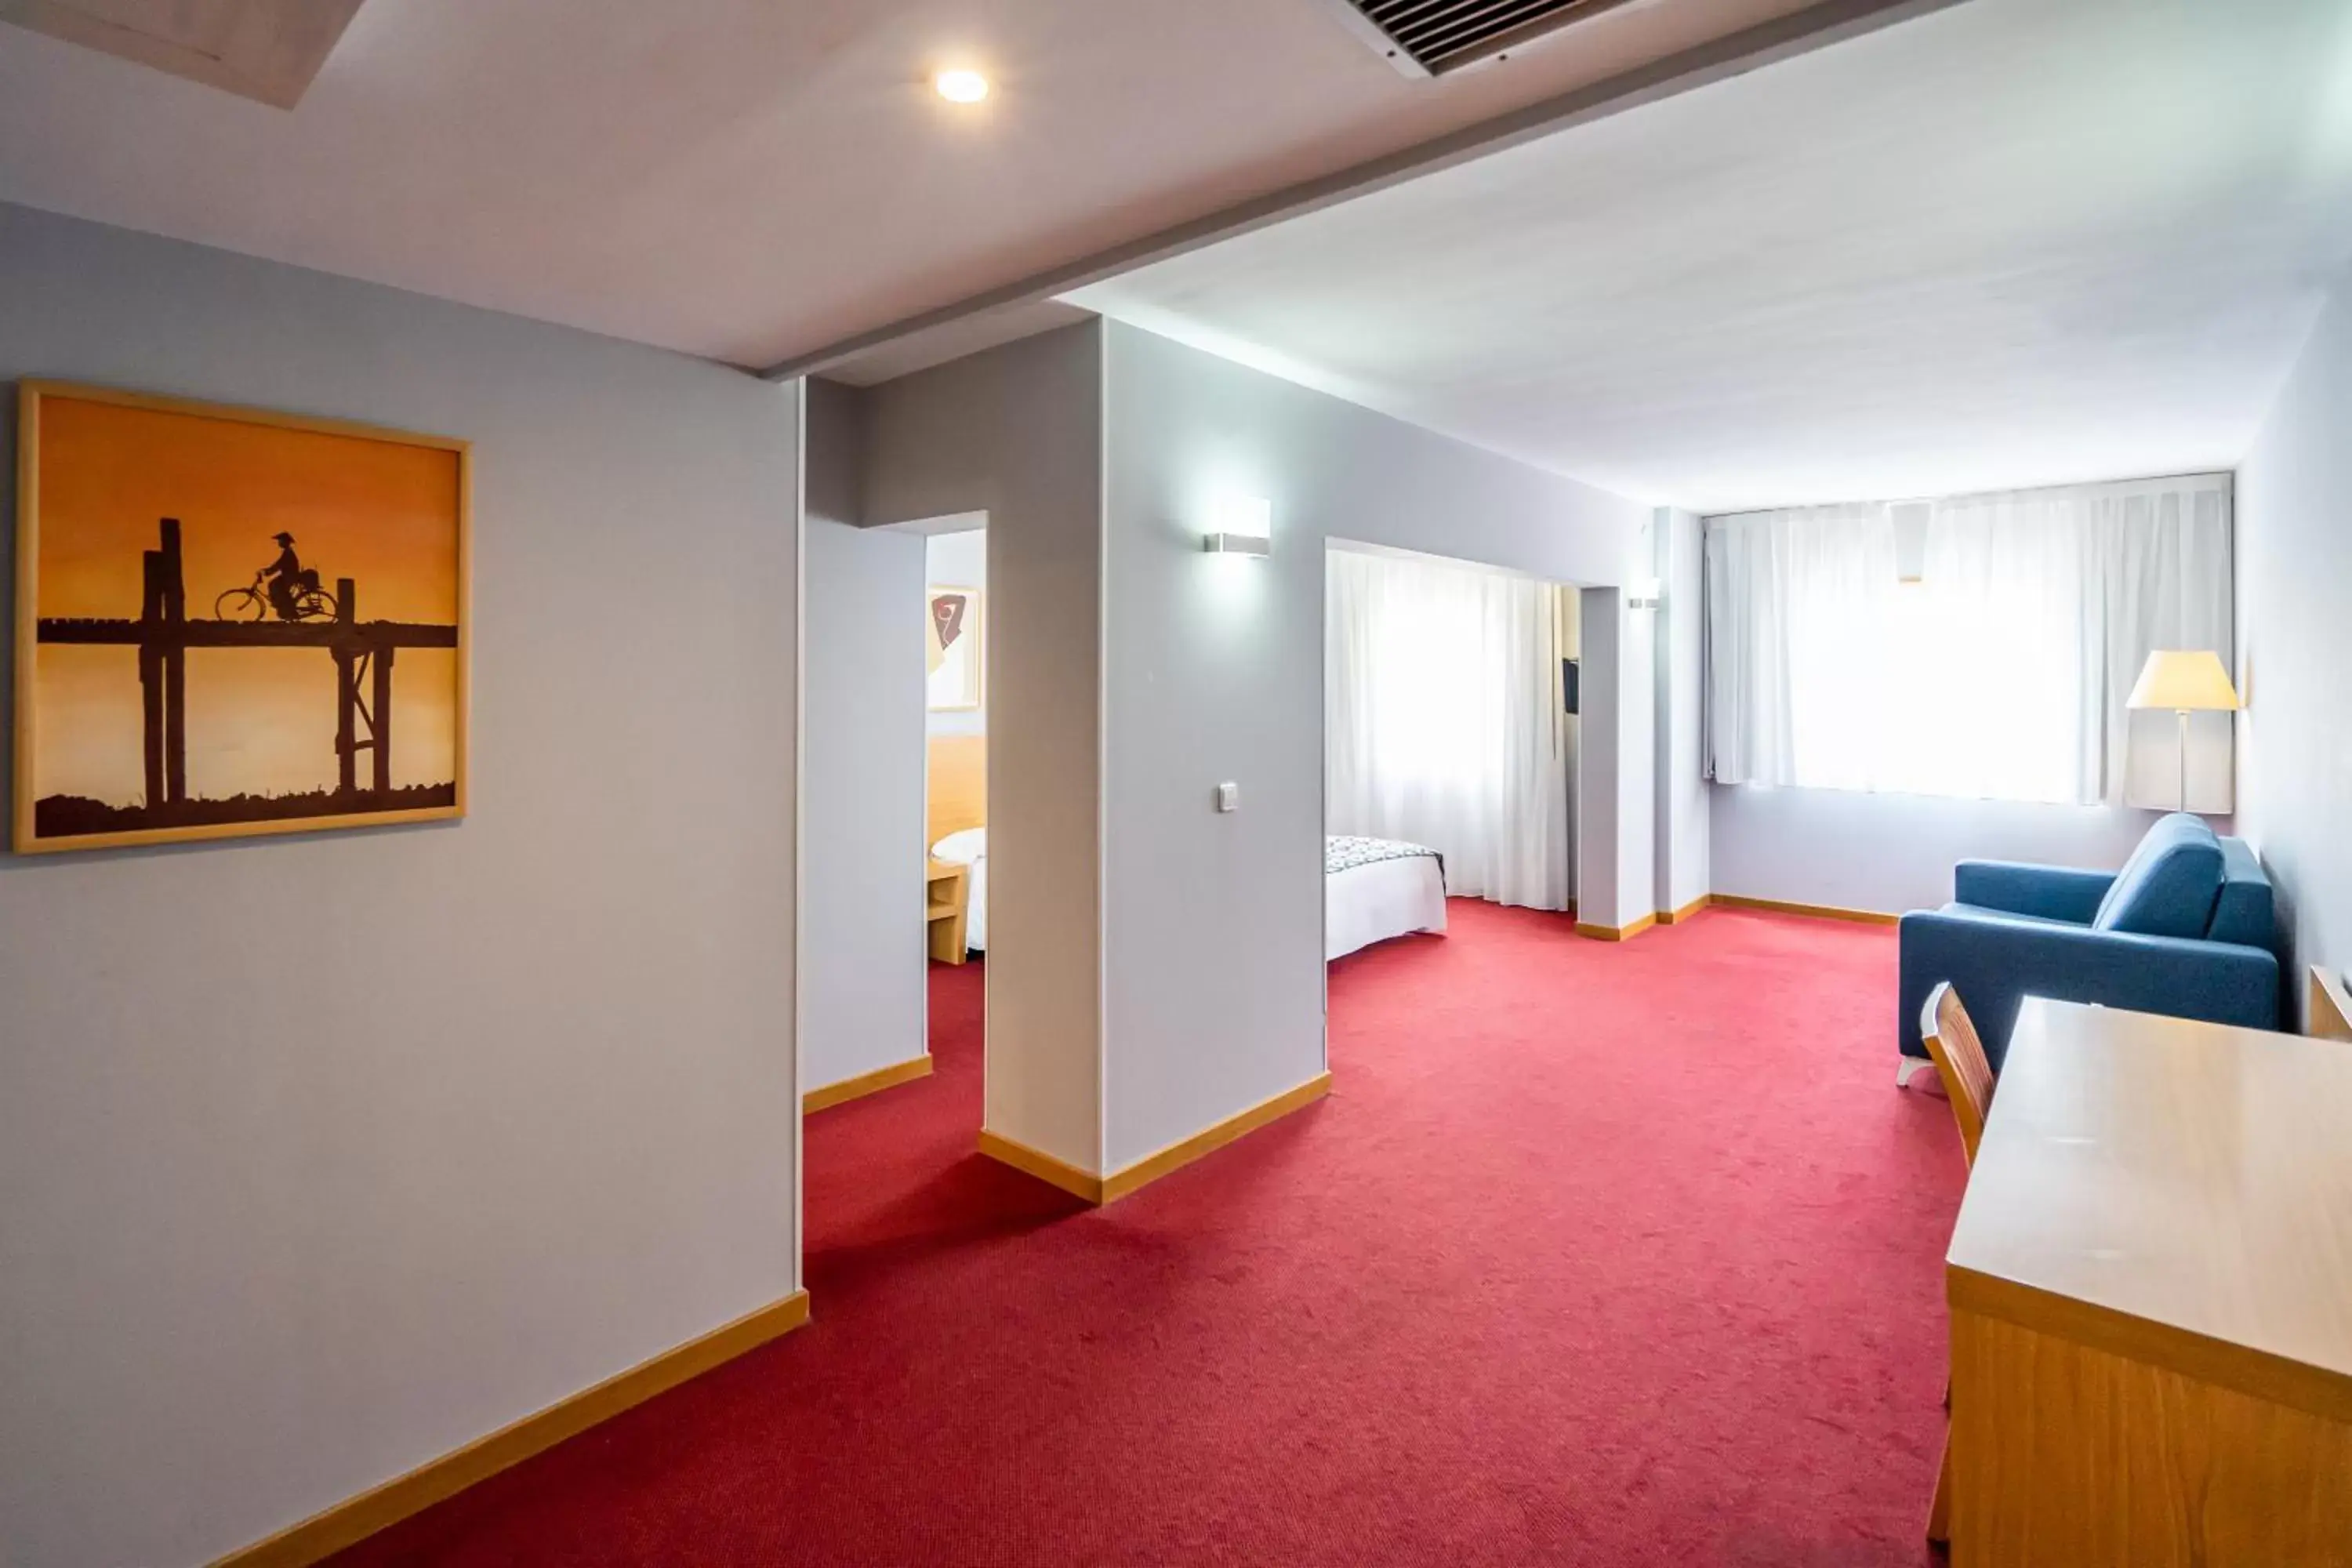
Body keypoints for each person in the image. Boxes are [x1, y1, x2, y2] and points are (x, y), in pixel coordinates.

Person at [262, 532, 310, 621]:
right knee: (274, 584)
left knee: (276, 586)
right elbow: (278, 564)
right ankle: (283, 608)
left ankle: (288, 610)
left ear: (285, 542)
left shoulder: (288, 553)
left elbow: (279, 564)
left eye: (280, 541)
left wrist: (268, 571)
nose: (279, 543)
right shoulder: (287, 552)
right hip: (288, 576)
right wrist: (268, 570)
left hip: (290, 577)